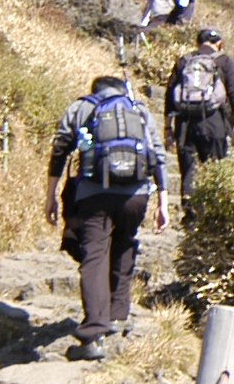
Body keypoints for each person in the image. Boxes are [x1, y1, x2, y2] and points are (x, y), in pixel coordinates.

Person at [45, 74, 159, 360]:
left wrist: (50, 195)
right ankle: (118, 316)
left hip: (93, 193)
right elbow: (158, 155)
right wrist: (164, 203)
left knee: (94, 257)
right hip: (135, 195)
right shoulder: (140, 110)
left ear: (94, 90)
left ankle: (93, 334)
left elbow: (60, 149)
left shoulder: (81, 107)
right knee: (124, 242)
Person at [164, 25, 234, 209]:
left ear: (197, 43)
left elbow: (170, 95)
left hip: (185, 124)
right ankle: (212, 214)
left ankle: (190, 216)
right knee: (215, 168)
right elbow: (233, 92)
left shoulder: (184, 61)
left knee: (188, 171)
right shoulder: (223, 61)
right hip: (214, 121)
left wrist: (168, 127)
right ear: (219, 43)